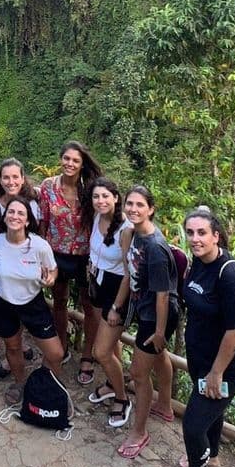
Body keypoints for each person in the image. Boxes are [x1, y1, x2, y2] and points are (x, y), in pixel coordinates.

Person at [177, 207, 235, 467]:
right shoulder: (197, 263)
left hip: (224, 363)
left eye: (202, 233)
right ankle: (214, 455)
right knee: (211, 411)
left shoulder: (230, 275)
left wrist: (216, 372)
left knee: (193, 424)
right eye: (191, 233)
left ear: (216, 236)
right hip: (201, 355)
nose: (195, 239)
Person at [118, 185, 179, 459]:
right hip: (148, 309)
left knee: (139, 374)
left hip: (158, 314)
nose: (133, 209)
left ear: (151, 209)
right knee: (159, 354)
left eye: (140, 205)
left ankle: (139, 432)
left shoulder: (154, 247)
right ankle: (164, 406)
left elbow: (163, 296)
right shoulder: (135, 234)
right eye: (129, 203)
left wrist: (158, 331)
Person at [0, 196, 64, 405]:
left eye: (21, 213)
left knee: (55, 353)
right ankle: (20, 383)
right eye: (11, 212)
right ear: (4, 216)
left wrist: (51, 278)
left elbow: (52, 269)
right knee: (12, 346)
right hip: (2, 301)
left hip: (32, 301)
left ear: (28, 221)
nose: (15, 216)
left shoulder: (39, 246)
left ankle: (44, 383)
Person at [39, 140, 102, 383]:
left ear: (82, 163)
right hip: (57, 254)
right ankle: (61, 345)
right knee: (59, 301)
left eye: (75, 160)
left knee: (89, 307)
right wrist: (43, 254)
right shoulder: (48, 187)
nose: (70, 164)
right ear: (60, 159)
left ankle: (87, 355)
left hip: (86, 256)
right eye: (67, 159)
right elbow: (44, 221)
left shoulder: (91, 189)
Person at [83, 177, 133, 427]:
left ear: (116, 197)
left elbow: (128, 273)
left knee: (101, 351)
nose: (100, 201)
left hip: (117, 291)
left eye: (105, 196)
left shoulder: (125, 229)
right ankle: (114, 384)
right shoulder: (96, 218)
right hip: (98, 282)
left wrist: (116, 306)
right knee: (111, 346)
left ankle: (123, 399)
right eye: (96, 196)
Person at [0, 158, 40, 236]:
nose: (11, 182)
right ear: (0, 181)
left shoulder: (34, 199)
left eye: (15, 177)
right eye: (6, 178)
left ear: (22, 179)